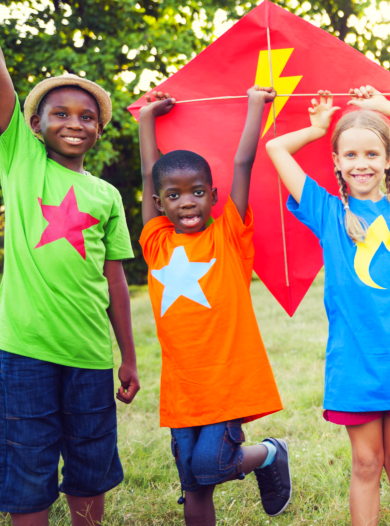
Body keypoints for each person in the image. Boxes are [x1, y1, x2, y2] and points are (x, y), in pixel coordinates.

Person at [0, 1, 138, 524]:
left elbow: (117, 283)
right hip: (25, 352)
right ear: (34, 125)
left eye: (87, 117)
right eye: (60, 114)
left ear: (99, 130)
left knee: (90, 463)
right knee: (27, 467)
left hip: (89, 352)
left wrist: (127, 357)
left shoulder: (106, 195)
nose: (75, 123)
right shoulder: (21, 160)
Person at [263, 86, 390, 526]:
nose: (360, 163)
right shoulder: (325, 211)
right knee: (366, 464)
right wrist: (317, 128)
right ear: (337, 163)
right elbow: (275, 147)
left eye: (371, 153)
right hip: (355, 363)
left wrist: (379, 107)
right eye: (349, 155)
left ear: (388, 160)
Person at [135, 85, 294, 525]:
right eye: (174, 195)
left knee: (210, 465)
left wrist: (254, 107)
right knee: (192, 482)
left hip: (227, 380)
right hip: (183, 387)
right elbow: (150, 171)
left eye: (197, 192)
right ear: (158, 202)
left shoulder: (229, 234)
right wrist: (147, 118)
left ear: (212, 194)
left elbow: (244, 162)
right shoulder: (156, 241)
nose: (186, 201)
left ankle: (268, 454)